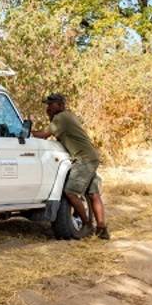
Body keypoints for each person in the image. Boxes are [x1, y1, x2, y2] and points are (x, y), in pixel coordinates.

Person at [31, 93, 110, 240]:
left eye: (51, 104)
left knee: (71, 192)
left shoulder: (60, 118)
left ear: (61, 105)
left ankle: (87, 224)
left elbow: (43, 135)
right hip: (91, 156)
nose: (48, 108)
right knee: (93, 193)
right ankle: (102, 228)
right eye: (47, 105)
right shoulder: (69, 116)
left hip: (83, 159)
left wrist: (26, 132)